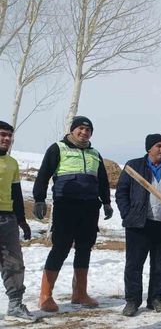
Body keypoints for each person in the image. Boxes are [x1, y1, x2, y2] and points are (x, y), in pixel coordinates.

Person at [32, 116, 113, 312]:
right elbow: (43, 175)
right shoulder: (58, 148)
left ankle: (80, 293)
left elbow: (102, 181)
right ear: (73, 130)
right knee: (61, 247)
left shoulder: (95, 153)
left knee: (85, 247)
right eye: (81, 129)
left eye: (88, 130)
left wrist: (107, 202)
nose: (84, 132)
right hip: (66, 205)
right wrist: (39, 199)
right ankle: (45, 296)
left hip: (90, 207)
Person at [115, 134, 161, 317]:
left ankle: (155, 299)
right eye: (158, 146)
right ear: (149, 148)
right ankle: (132, 301)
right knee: (134, 265)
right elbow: (121, 192)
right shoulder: (134, 166)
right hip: (139, 224)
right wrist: (127, 213)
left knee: (160, 265)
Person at [0, 121, 36, 322]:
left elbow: (16, 193)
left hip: (7, 218)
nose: (6, 139)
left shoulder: (12, 163)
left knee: (13, 263)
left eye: (9, 136)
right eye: (2, 134)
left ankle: (15, 306)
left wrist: (22, 220)